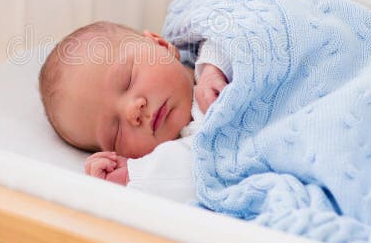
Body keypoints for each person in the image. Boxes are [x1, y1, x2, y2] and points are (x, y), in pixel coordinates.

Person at [38, 21, 229, 200]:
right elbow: (202, 172)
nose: (132, 112)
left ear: (160, 45)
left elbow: (236, 28)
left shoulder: (209, 54)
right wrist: (130, 174)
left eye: (127, 81)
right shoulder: (181, 155)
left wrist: (213, 68)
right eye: (116, 131)